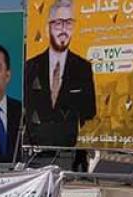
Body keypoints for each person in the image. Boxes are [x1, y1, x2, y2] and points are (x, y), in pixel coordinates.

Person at [25, 0, 97, 148]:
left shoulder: (83, 68)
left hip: (68, 151)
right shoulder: (30, 67)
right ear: (47, 28)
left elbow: (89, 112)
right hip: (35, 150)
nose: (63, 29)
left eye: (68, 23)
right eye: (58, 23)